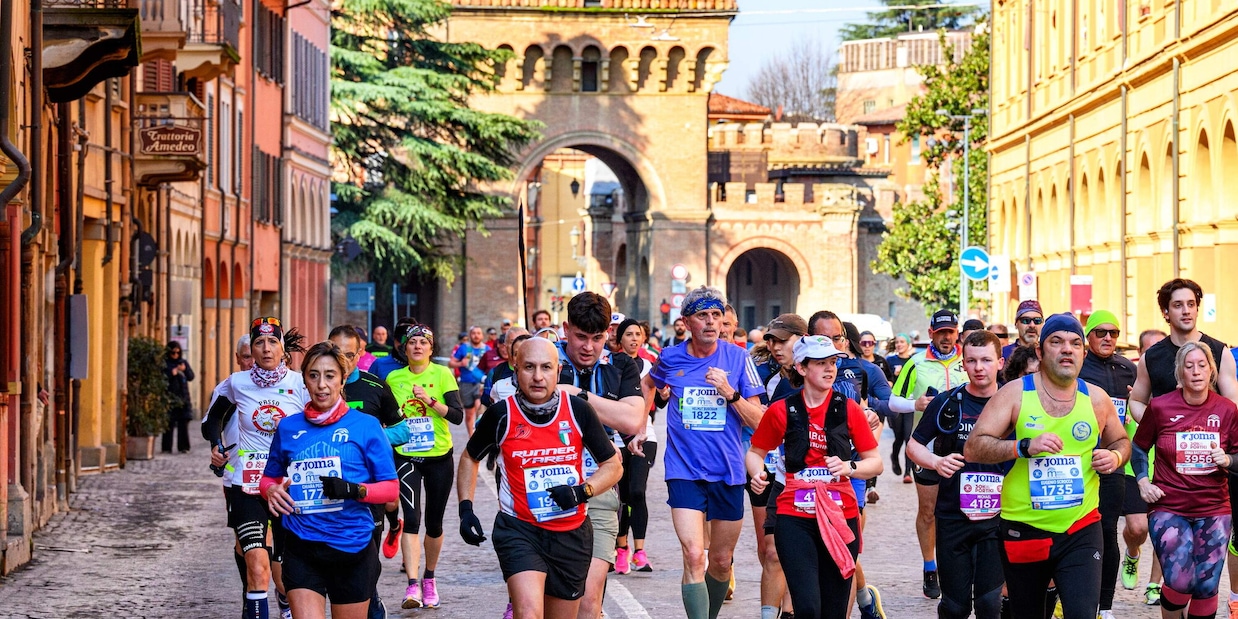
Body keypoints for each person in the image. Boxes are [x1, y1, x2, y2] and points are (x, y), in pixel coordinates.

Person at [964, 313, 1130, 619]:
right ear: (1040, 351)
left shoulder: (1096, 399)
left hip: (1080, 528)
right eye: (1057, 342)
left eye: (1074, 343)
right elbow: (974, 447)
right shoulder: (1015, 394)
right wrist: (1022, 447)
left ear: (1083, 352)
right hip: (1024, 528)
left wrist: (1115, 457)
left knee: (1082, 613)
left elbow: (1121, 441)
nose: (1067, 349)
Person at [457, 337, 623, 619]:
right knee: (529, 613)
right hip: (520, 530)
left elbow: (613, 465)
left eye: (546, 367)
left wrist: (581, 492)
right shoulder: (501, 415)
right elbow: (469, 457)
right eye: (529, 367)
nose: (537, 376)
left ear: (558, 372)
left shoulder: (578, 410)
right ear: (515, 370)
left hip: (571, 532)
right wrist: (465, 509)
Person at [643, 286, 766, 619]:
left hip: (728, 470)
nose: (712, 323)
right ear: (686, 322)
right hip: (683, 471)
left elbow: (761, 420)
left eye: (717, 315)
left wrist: (730, 393)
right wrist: (642, 425)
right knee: (695, 555)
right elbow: (648, 385)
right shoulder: (669, 358)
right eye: (703, 316)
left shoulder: (739, 358)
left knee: (721, 560)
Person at [746, 335, 882, 619]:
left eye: (833, 362)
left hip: (839, 515)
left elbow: (875, 462)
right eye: (821, 363)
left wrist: (850, 468)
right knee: (807, 607)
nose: (830, 369)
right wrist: (757, 472)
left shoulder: (849, 409)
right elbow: (755, 452)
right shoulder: (782, 409)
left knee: (833, 610)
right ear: (802, 367)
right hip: (794, 517)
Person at [260, 342, 399, 619]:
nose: (321, 384)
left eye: (330, 375)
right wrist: (272, 490)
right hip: (301, 545)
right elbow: (268, 479)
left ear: (343, 378)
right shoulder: (289, 427)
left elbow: (390, 489)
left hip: (353, 547)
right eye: (313, 375)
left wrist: (354, 490)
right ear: (305, 380)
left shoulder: (366, 426)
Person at [1128, 278, 1238, 616]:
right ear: (1166, 311)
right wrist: (1166, 427)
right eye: (1178, 305)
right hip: (1170, 485)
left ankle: (1229, 598)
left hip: (1213, 479)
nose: (1186, 310)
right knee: (1180, 575)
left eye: (1191, 304)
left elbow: (1231, 406)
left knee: (1207, 581)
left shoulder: (1219, 350)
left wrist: (1213, 438)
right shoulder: (1154, 356)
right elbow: (1136, 400)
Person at [202, 317, 309, 619]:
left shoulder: (300, 383)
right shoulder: (237, 383)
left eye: (272, 342)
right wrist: (217, 446)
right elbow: (213, 420)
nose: (265, 349)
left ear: (283, 348)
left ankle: (286, 603)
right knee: (257, 568)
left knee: (287, 576)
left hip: (290, 486)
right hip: (247, 486)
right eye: (258, 343)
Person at [552, 294, 645, 619]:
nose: (589, 346)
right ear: (566, 329)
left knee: (589, 603)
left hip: (600, 490)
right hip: (549, 495)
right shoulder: (546, 362)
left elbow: (633, 419)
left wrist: (575, 395)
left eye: (598, 337)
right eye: (580, 337)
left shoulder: (621, 365)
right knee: (556, 603)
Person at [906, 330, 1007, 619]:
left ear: (1000, 363)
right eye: (972, 361)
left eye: (986, 360)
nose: (979, 368)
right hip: (952, 517)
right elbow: (914, 445)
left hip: (997, 519)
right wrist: (936, 462)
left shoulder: (1015, 402)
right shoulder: (948, 403)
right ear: (963, 363)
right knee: (955, 607)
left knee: (990, 604)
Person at [329, 325, 409, 619]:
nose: (343, 361)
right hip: (325, 487)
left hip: (368, 487)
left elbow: (402, 431)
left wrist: (368, 438)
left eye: (350, 354)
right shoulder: (314, 388)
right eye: (337, 353)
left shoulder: (375, 386)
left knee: (367, 558)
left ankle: (370, 598)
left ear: (360, 353)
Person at [384, 324, 465, 609]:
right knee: (413, 518)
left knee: (434, 523)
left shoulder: (442, 374)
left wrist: (429, 400)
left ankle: (429, 578)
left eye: (423, 342)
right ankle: (412, 586)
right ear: (404, 349)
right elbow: (386, 414)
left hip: (439, 456)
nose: (417, 346)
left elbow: (457, 416)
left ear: (431, 349)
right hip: (406, 456)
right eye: (412, 342)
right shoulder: (393, 378)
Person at [889, 309, 967, 598]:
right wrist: (916, 404)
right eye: (941, 332)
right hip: (927, 447)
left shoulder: (968, 360)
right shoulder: (916, 362)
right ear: (931, 332)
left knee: (964, 510)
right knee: (928, 511)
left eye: (951, 331)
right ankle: (930, 566)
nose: (946, 337)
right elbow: (894, 401)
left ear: (957, 332)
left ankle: (957, 567)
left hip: (964, 447)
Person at [1076, 310, 1137, 619]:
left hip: (1113, 462)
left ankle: (1106, 606)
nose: (1108, 338)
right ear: (1089, 337)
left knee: (1108, 530)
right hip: (1078, 462)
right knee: (1074, 533)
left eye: (1113, 332)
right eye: (1100, 332)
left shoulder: (1128, 369)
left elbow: (1141, 406)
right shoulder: (1077, 366)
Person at [754, 313, 809, 619]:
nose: (776, 347)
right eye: (772, 341)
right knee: (772, 552)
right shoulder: (769, 379)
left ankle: (865, 600)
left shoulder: (826, 377)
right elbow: (762, 432)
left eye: (782, 340)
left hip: (822, 482)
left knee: (836, 557)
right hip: (778, 477)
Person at [614, 318, 659, 574]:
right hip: (616, 438)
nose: (633, 338)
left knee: (637, 492)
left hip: (645, 435)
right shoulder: (611, 365)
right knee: (621, 495)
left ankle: (640, 551)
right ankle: (622, 549)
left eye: (637, 334)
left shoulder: (649, 367)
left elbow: (655, 404)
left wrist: (663, 394)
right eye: (628, 334)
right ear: (619, 339)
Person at [450, 326, 489, 435]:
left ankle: (480, 434)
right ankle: (471, 437)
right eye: (474, 333)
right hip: (466, 383)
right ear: (470, 335)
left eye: (478, 333)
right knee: (469, 413)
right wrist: (460, 364)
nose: (476, 335)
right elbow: (451, 363)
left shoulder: (487, 349)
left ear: (482, 335)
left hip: (481, 384)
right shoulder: (463, 348)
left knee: (479, 406)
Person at [483, 327, 529, 408]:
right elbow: (486, 403)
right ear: (505, 346)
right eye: (513, 342)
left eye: (522, 341)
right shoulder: (495, 373)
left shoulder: (540, 373)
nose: (518, 345)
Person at [163, 341, 196, 454]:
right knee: (169, 424)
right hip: (170, 397)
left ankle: (183, 447)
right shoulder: (166, 364)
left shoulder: (183, 363)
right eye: (173, 353)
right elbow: (162, 378)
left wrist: (184, 369)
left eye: (178, 352)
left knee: (183, 424)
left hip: (183, 397)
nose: (176, 355)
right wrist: (172, 373)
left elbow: (191, 376)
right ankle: (166, 447)